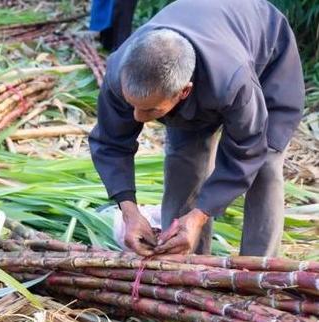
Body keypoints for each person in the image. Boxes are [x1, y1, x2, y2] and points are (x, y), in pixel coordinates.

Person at [89, 0, 305, 257]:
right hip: (208, 52)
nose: (138, 117)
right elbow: (110, 143)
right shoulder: (119, 71)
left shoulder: (233, 83)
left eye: (150, 110)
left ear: (184, 92)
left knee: (264, 168)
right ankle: (185, 263)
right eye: (132, 105)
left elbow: (247, 151)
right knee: (184, 164)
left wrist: (199, 216)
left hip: (266, 56)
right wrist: (130, 212)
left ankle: (258, 271)